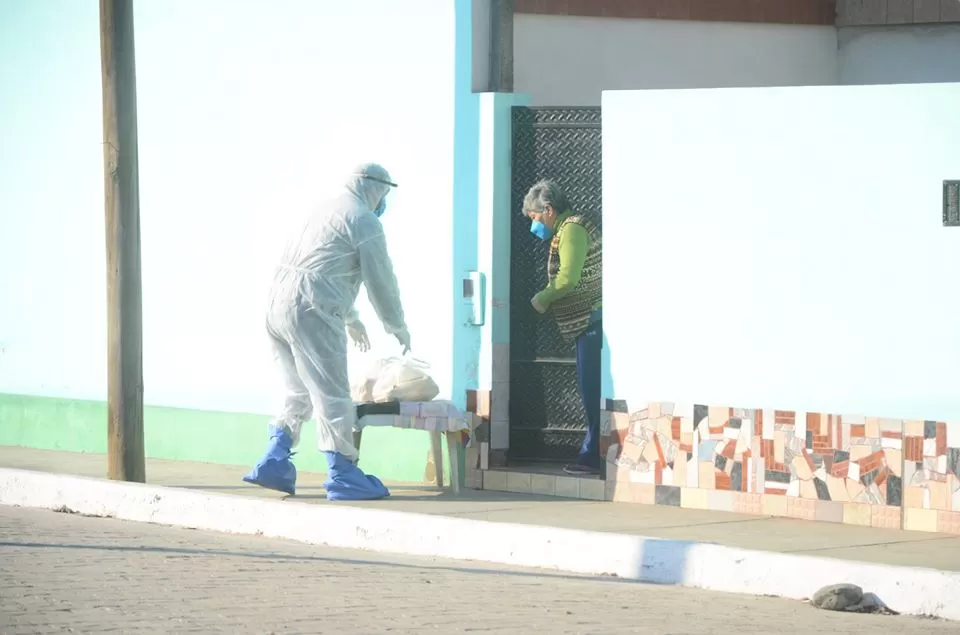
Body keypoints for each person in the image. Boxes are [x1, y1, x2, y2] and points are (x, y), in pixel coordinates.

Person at [243, 162, 411, 500]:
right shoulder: (364, 220)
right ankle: (343, 472)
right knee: (333, 394)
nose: (385, 202)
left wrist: (352, 318)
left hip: (277, 307)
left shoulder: (324, 210)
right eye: (385, 192)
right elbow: (381, 279)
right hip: (312, 313)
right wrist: (396, 325)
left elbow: (320, 269)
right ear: (374, 187)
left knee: (298, 391)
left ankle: (274, 458)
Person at [523, 179, 602, 476]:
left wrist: (541, 299)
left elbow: (568, 278)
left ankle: (591, 457)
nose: (535, 226)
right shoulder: (569, 228)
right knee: (590, 388)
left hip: (591, 319)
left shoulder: (572, 229)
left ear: (548, 209)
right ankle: (592, 453)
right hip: (588, 320)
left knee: (592, 390)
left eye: (534, 218)